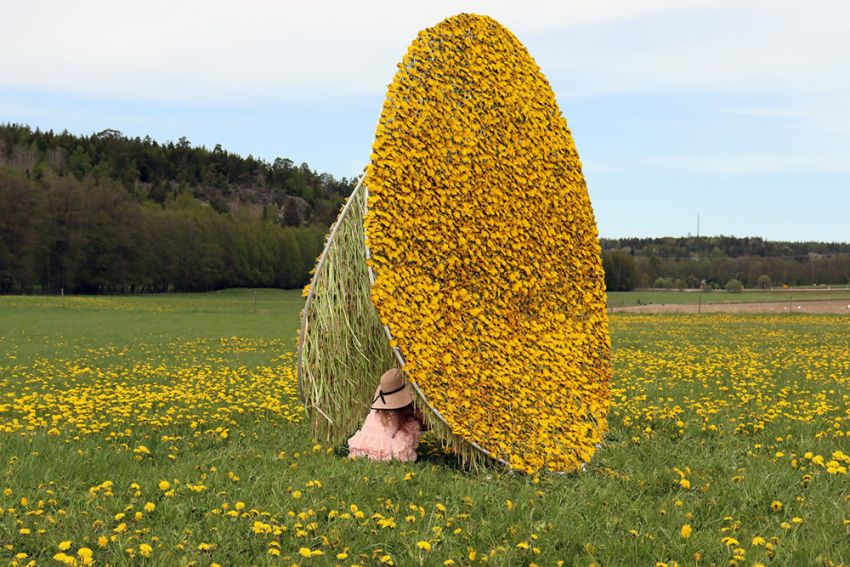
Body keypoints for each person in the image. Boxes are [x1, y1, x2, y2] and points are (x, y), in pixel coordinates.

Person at [348, 368, 422, 462]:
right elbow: (423, 419)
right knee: (412, 424)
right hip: (386, 453)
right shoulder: (401, 411)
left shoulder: (374, 411)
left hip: (364, 448)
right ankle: (401, 455)